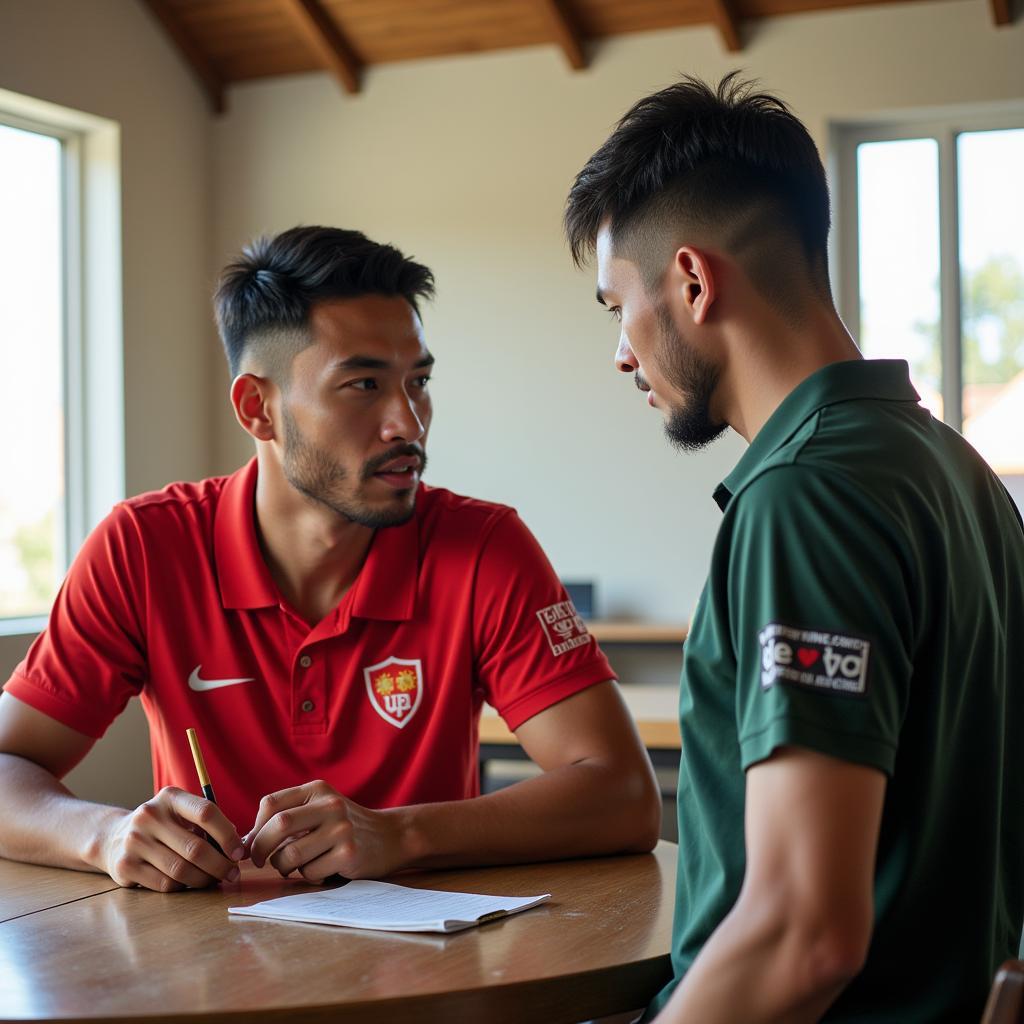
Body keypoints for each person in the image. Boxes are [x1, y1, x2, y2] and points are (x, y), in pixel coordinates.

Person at [0, 226, 661, 893]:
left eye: (419, 381)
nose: (409, 422)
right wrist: (104, 834)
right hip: (203, 975)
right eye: (364, 385)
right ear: (258, 408)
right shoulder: (143, 547)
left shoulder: (483, 546)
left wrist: (398, 835)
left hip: (429, 973)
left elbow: (624, 795)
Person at [564, 73, 1024, 1022]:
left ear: (692, 281)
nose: (620, 353)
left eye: (618, 307)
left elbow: (801, 935)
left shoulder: (804, 499)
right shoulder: (954, 470)